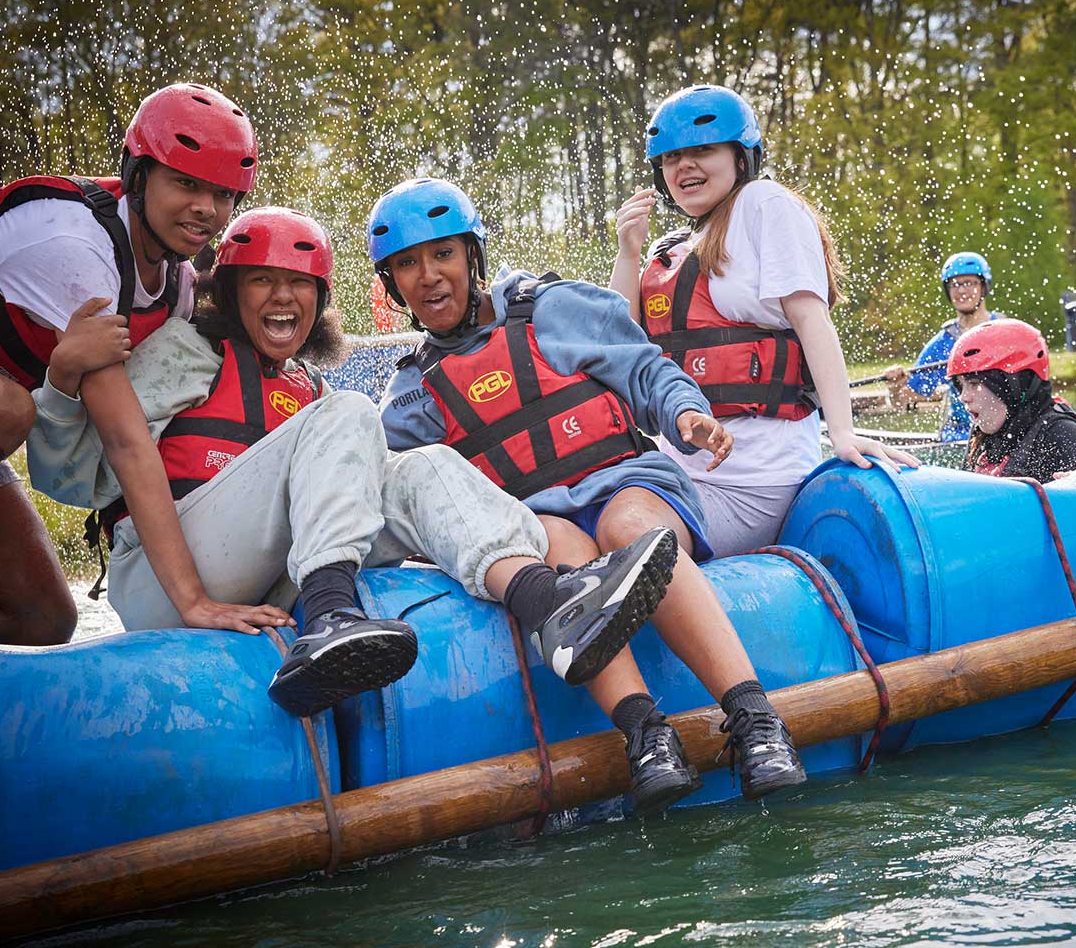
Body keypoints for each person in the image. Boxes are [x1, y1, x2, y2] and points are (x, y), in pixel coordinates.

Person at [26, 206, 677, 719]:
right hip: (165, 584)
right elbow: (69, 479)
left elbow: (383, 493)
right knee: (351, 414)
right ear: (227, 290)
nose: (284, 299)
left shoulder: (309, 387)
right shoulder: (185, 351)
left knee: (419, 465)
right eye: (263, 281)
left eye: (299, 284)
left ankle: (547, 603)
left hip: (263, 580)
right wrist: (60, 379)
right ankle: (333, 617)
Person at [373, 177, 808, 810]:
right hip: (543, 521)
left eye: (442, 254)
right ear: (391, 285)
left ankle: (756, 720)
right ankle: (645, 734)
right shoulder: (411, 396)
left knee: (626, 531)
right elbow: (408, 495)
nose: (429, 276)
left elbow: (646, 369)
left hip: (629, 485)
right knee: (562, 554)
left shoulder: (550, 308)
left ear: (473, 256)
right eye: (407, 265)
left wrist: (686, 415)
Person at [0, 82, 259, 645]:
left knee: (43, 618)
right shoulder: (75, 247)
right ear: (138, 176)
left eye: (223, 194)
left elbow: (124, 435)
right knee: (3, 408)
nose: (206, 209)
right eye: (186, 183)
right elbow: (124, 442)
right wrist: (192, 601)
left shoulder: (179, 286)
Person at [609, 84, 916, 556]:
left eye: (702, 150)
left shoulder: (765, 205)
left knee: (622, 530)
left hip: (752, 484)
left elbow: (812, 320)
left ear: (741, 157)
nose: (684, 166)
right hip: (679, 474)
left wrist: (843, 432)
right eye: (671, 157)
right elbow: (621, 349)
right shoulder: (670, 249)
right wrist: (628, 254)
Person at [945, 318, 1076, 482]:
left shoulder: (1057, 429)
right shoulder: (982, 433)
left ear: (1014, 384)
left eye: (974, 384)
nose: (963, 397)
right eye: (960, 386)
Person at [884, 251, 1006, 443]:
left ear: (983, 287)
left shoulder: (1006, 332)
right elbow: (903, 401)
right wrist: (894, 388)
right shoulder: (943, 343)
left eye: (969, 283)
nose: (961, 291)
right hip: (960, 437)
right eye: (954, 284)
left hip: (1006, 432)